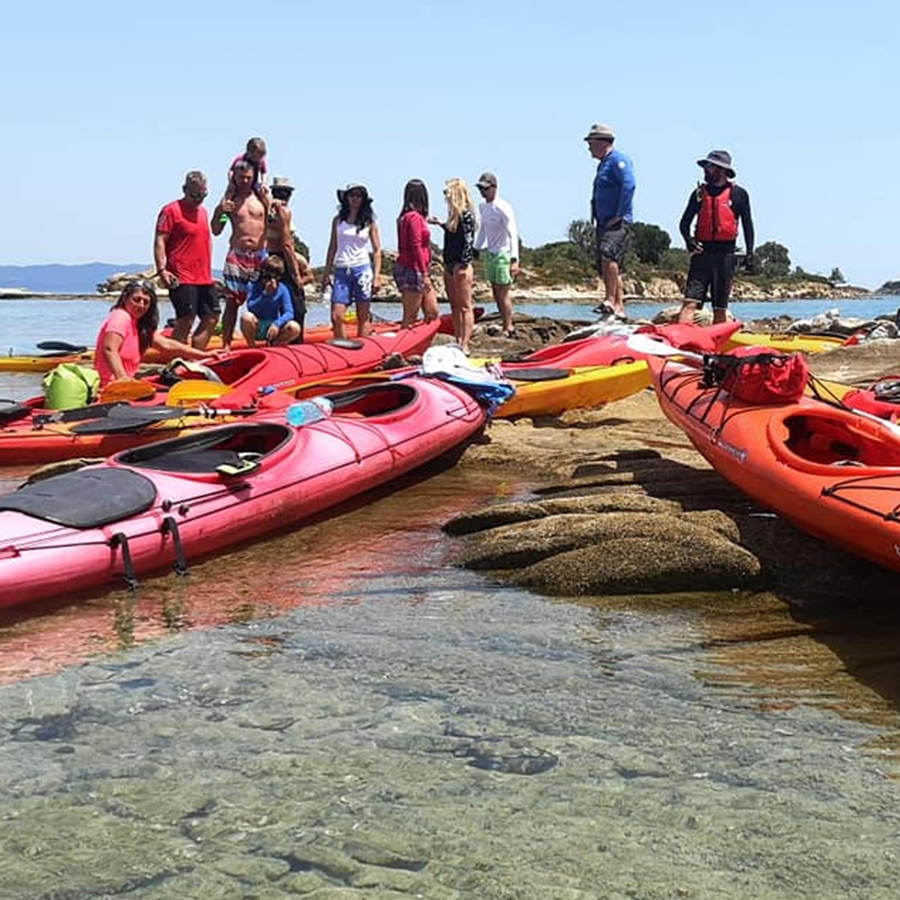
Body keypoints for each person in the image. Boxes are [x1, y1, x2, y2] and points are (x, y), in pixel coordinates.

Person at [678, 150, 755, 325]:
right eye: (705, 166)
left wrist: (750, 254)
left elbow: (748, 225)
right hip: (702, 254)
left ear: (721, 169)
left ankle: (718, 347)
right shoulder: (698, 194)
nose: (705, 170)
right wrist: (689, 242)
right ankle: (680, 343)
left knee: (720, 308)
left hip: (726, 256)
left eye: (709, 166)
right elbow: (684, 223)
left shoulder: (739, 194)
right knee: (690, 302)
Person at [95, 280, 211, 387]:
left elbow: (166, 345)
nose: (141, 305)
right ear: (125, 299)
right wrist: (123, 379)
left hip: (129, 379)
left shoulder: (138, 323)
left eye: (146, 302)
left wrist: (203, 355)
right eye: (136, 299)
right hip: (112, 385)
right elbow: (110, 349)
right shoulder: (121, 317)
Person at [153, 170, 218, 349]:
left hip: (204, 276)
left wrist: (225, 214)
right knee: (186, 318)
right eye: (194, 194)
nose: (198, 199)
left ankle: (195, 355)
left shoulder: (203, 212)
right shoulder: (171, 210)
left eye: (203, 194)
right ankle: (176, 359)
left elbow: (214, 232)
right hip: (181, 275)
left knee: (212, 316)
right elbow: (160, 240)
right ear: (185, 189)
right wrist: (162, 269)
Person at [212, 161, 268, 349]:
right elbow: (216, 229)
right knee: (232, 301)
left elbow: (274, 221)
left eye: (248, 177)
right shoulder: (230, 200)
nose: (244, 180)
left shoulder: (262, 198)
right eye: (241, 177)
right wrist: (221, 211)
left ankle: (260, 341)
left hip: (260, 254)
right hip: (237, 254)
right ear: (234, 177)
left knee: (264, 298)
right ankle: (226, 344)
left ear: (254, 177)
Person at [584, 123, 635, 318]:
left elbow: (629, 185)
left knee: (608, 254)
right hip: (603, 221)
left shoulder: (618, 160)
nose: (588, 147)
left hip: (616, 222)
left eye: (591, 142)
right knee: (606, 262)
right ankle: (619, 307)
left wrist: (620, 214)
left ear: (601, 142)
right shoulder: (603, 164)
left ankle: (610, 300)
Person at [320, 183, 383, 340]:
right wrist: (326, 273)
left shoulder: (369, 222)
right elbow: (332, 246)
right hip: (342, 269)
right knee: (337, 316)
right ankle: (342, 347)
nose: (355, 199)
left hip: (362, 269)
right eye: (352, 195)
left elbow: (377, 250)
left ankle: (363, 348)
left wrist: (376, 276)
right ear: (346, 198)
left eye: (358, 196)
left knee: (363, 315)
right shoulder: (338, 221)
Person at [429, 178, 477, 353]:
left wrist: (463, 265)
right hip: (449, 262)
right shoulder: (454, 216)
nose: (445, 196)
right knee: (455, 305)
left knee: (465, 305)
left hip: (460, 264)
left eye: (447, 193)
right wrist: (440, 224)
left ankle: (465, 343)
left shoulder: (467, 216)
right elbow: (453, 233)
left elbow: (468, 242)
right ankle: (458, 339)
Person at [265, 176, 313, 342]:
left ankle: (280, 341)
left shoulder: (268, 209)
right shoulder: (280, 212)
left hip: (274, 257)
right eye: (279, 193)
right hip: (281, 260)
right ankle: (293, 344)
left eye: (286, 194)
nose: (283, 197)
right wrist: (295, 274)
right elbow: (286, 244)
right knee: (295, 305)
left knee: (281, 303)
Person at [474, 172, 520, 336]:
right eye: (480, 188)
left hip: (503, 253)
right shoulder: (482, 207)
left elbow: (512, 233)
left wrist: (514, 260)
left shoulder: (503, 207)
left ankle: (509, 327)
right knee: (495, 292)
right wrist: (476, 248)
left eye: (485, 189)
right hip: (490, 253)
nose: (482, 192)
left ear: (494, 187)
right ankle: (504, 323)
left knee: (503, 293)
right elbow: (482, 231)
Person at [395, 179, 438, 327]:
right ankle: (402, 343)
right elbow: (415, 245)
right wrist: (424, 272)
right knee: (410, 315)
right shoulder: (413, 218)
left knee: (432, 311)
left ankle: (422, 339)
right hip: (413, 268)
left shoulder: (409, 218)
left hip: (413, 267)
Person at [240, 256, 301, 347]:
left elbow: (289, 312)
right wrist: (265, 294)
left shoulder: (283, 289)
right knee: (246, 317)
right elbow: (251, 306)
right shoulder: (253, 285)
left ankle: (275, 345)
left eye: (276, 276)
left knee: (295, 327)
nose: (270, 280)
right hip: (258, 325)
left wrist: (277, 324)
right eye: (267, 276)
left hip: (274, 325)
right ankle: (252, 346)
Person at [222, 137, 269, 210]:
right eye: (255, 155)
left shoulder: (261, 161)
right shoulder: (240, 158)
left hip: (254, 182)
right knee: (231, 190)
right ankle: (227, 203)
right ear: (249, 152)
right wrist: (231, 182)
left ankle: (269, 211)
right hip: (238, 182)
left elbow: (264, 173)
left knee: (265, 194)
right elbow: (230, 171)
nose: (257, 158)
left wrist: (264, 184)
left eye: (260, 156)